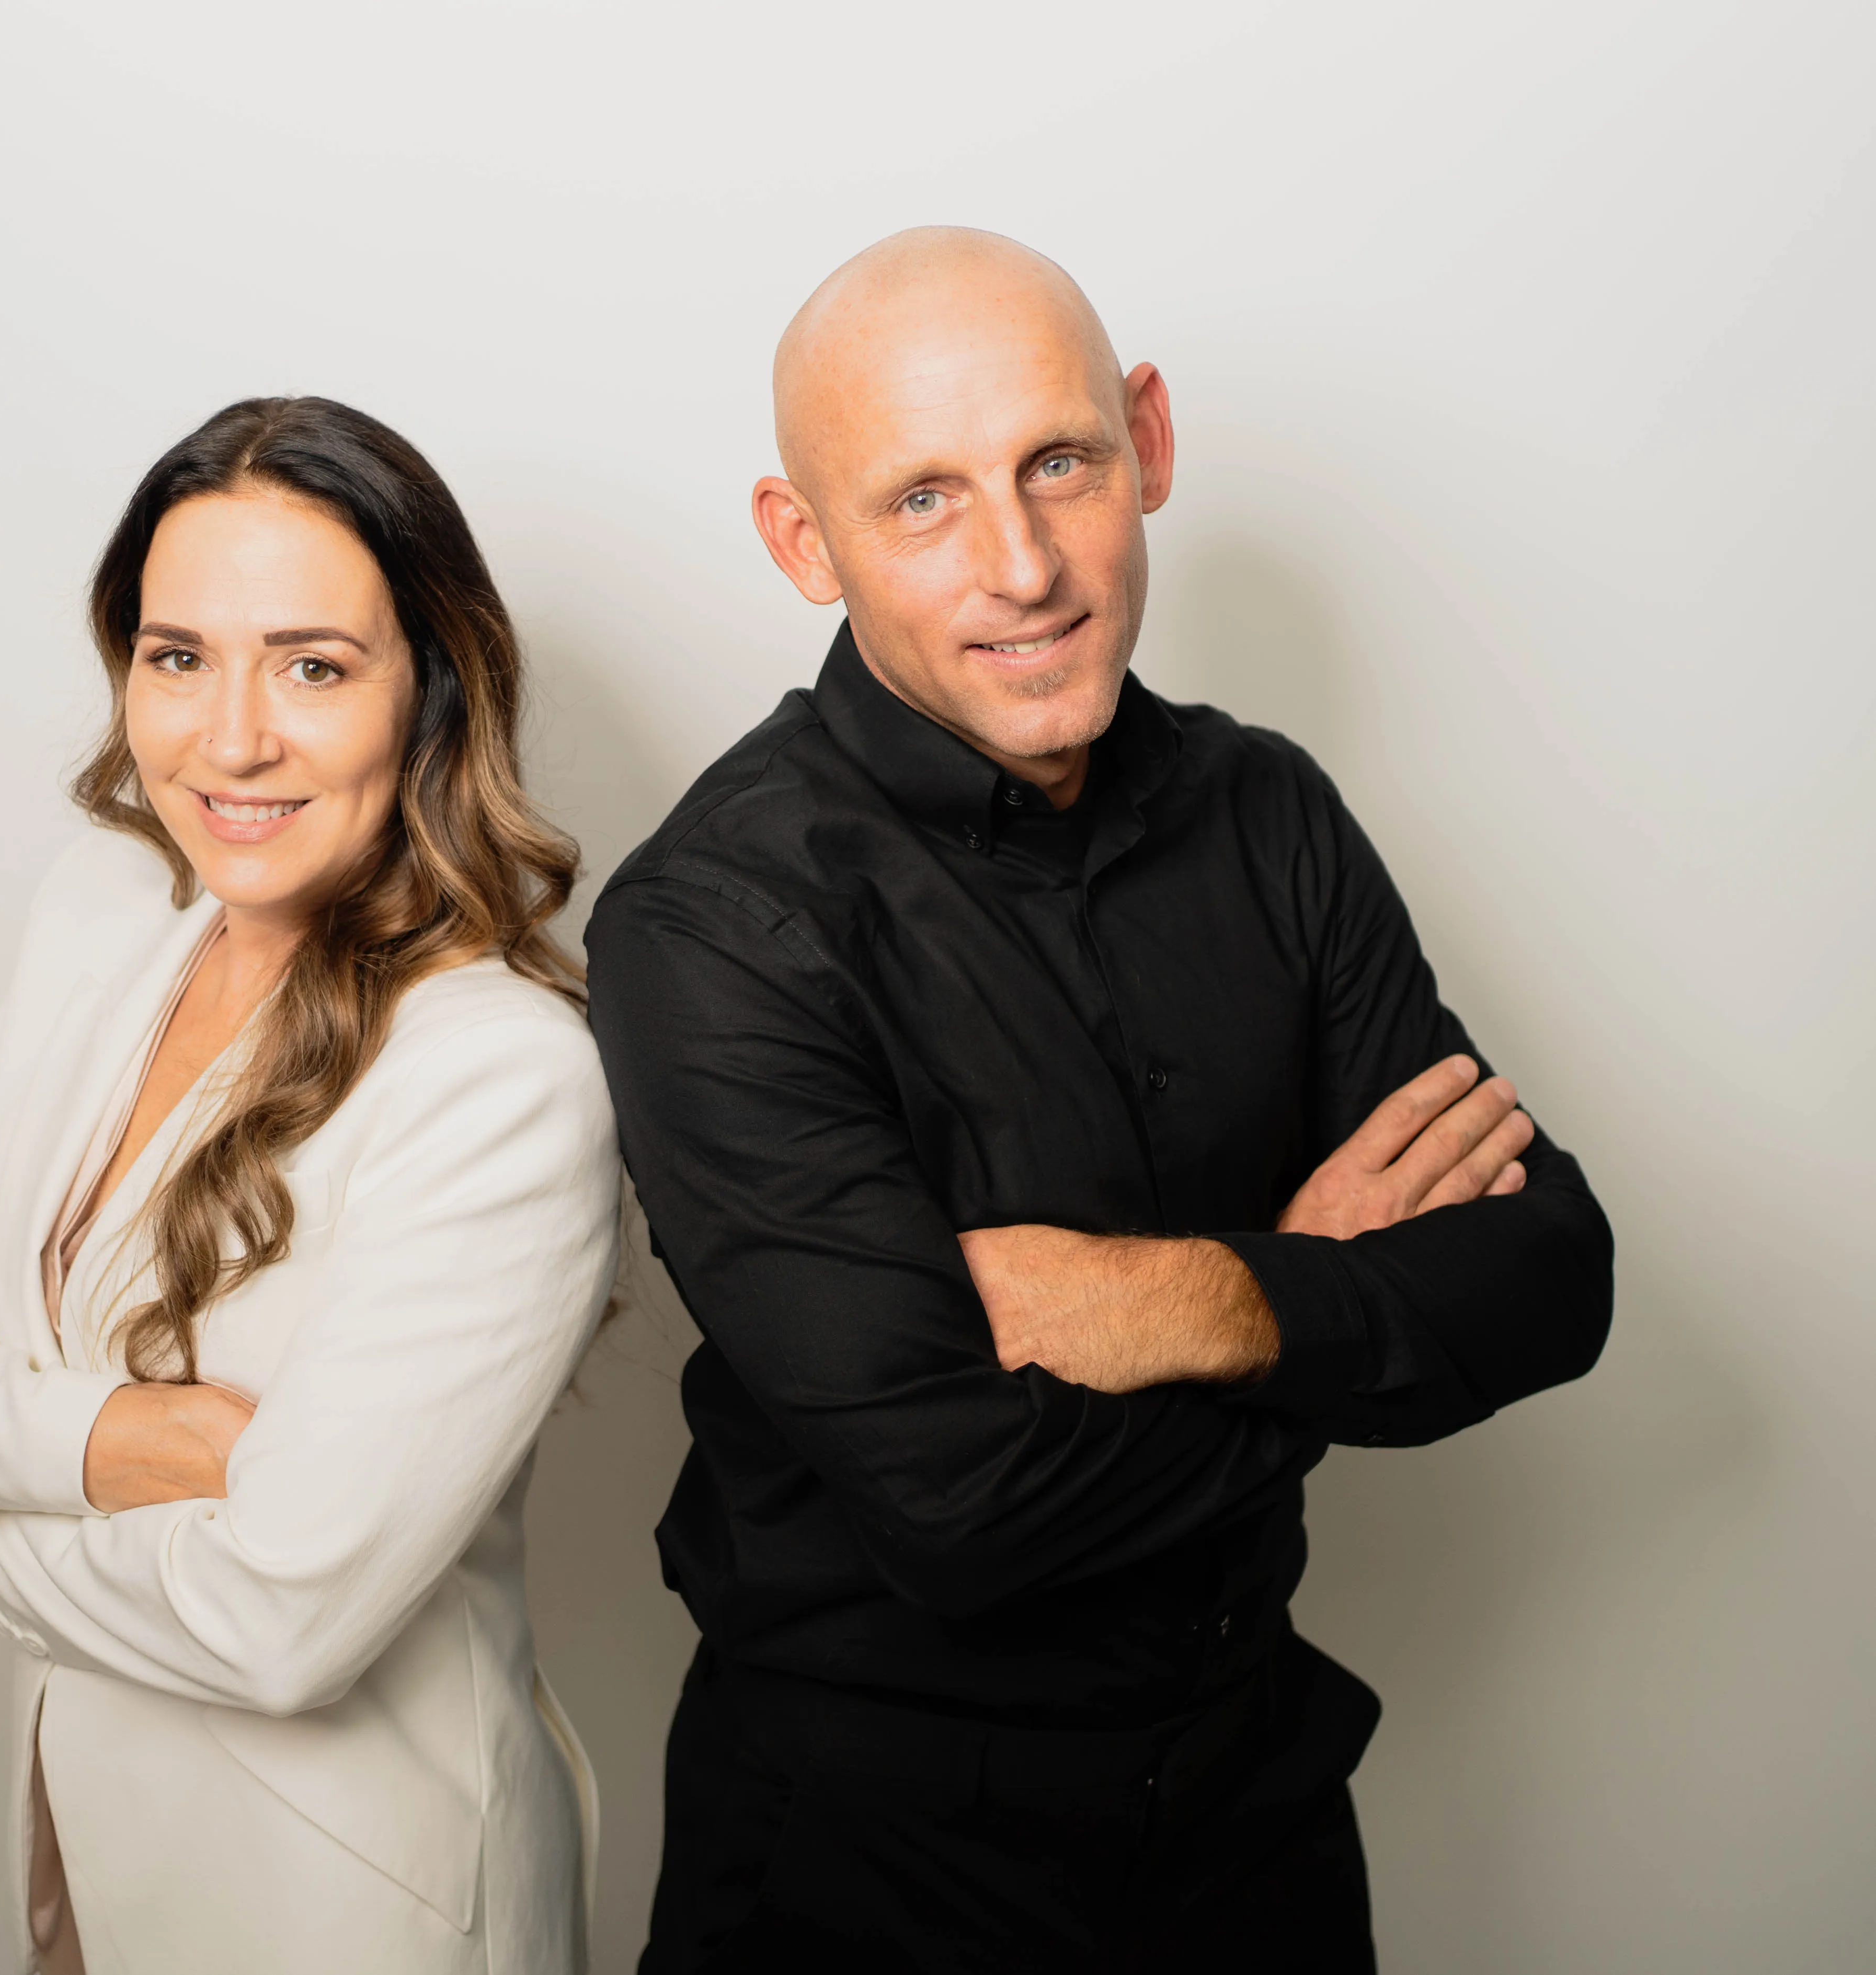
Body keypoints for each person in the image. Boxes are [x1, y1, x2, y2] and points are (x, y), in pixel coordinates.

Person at [584, 229, 1614, 1972]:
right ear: (801, 543)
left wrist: (1189, 1298)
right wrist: (1333, 1291)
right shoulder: (711, 925)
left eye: (1057, 462)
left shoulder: (1270, 813)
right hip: (872, 1870)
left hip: (1256, 1823)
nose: (1023, 565)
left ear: (1145, 439)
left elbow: (1552, 1278)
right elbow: (961, 1514)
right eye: (922, 499)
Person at [0, 397, 618, 1975]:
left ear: (433, 693)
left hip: (351, 1911)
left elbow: (277, 1622)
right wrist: (113, 1438)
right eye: (179, 657)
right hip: (80, 1864)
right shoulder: (104, 914)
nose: (232, 739)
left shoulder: (498, 1078)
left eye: (313, 665)